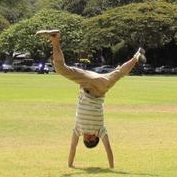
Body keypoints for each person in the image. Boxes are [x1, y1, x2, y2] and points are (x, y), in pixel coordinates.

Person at [38, 29, 144, 169]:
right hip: (100, 86)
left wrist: (70, 165)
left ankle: (55, 39)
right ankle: (136, 56)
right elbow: (108, 150)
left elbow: (73, 148)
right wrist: (111, 167)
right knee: (118, 73)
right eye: (88, 139)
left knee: (61, 69)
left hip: (89, 82)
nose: (86, 137)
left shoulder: (79, 130)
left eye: (85, 139)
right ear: (95, 138)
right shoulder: (99, 131)